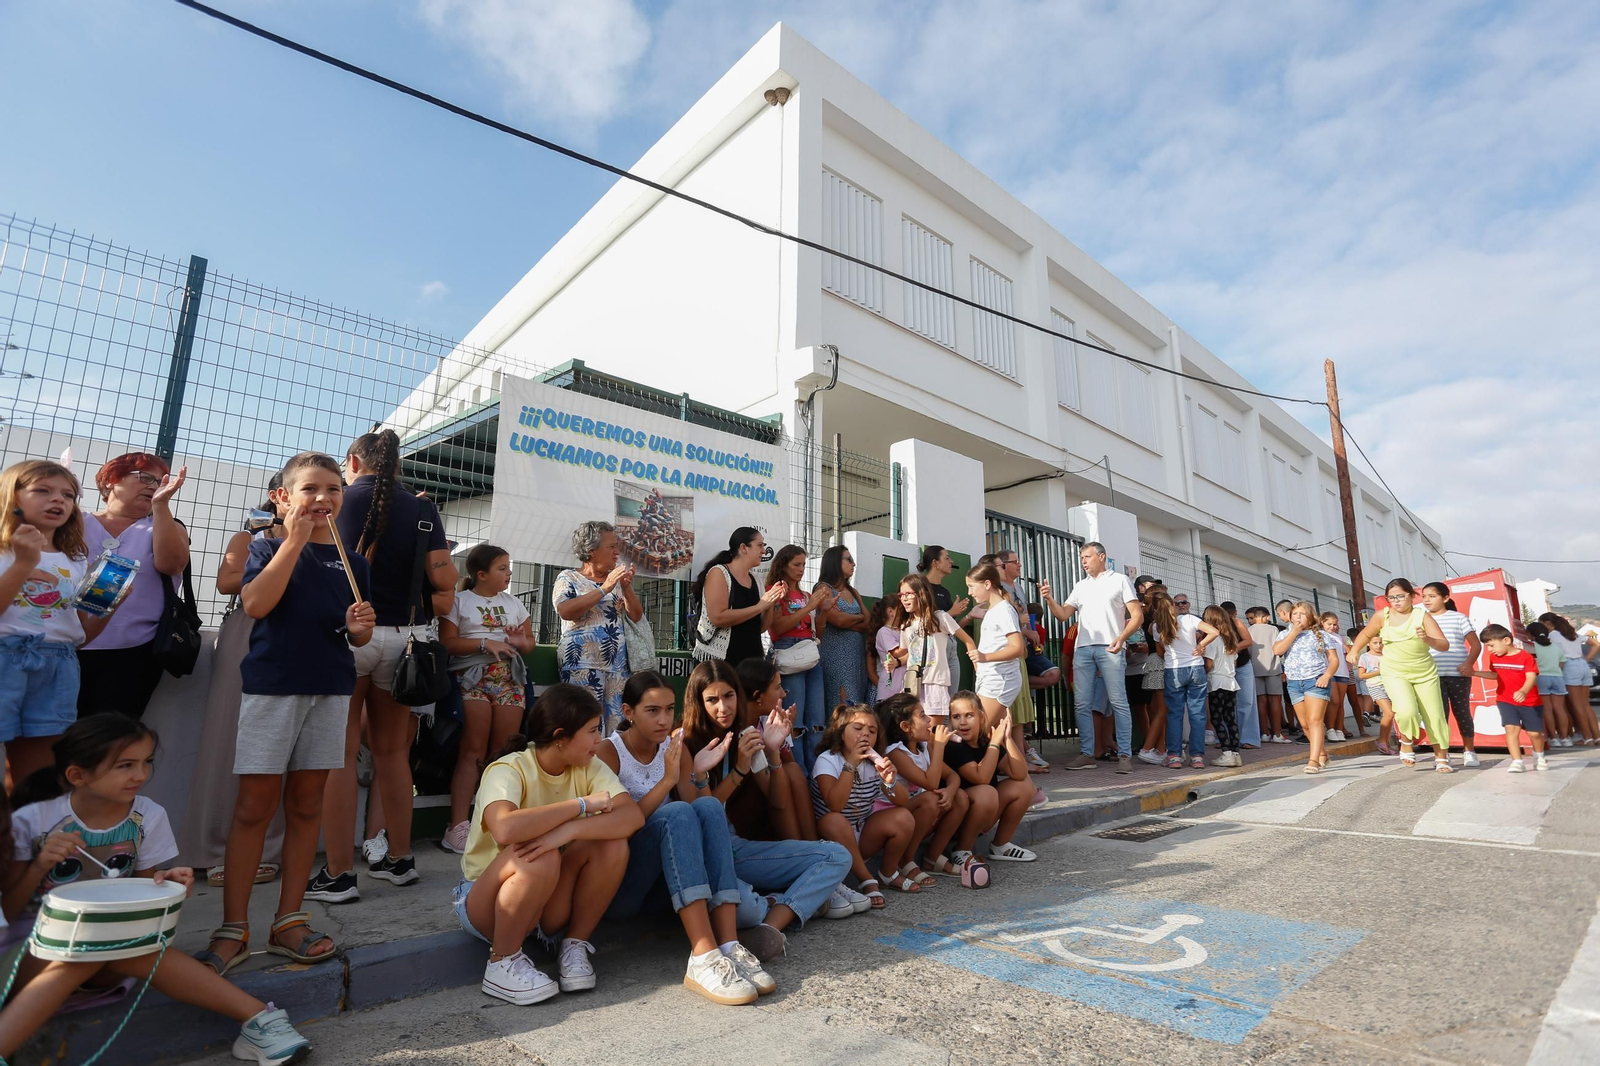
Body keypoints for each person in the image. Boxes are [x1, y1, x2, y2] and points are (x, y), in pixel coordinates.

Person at [0, 716, 312, 1064]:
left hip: (108, 946)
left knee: (117, 946)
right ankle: (259, 1018)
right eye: (125, 765)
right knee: (86, 950)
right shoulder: (33, 821)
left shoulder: (148, 816)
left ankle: (260, 1022)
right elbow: (9, 912)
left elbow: (143, 906)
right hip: (32, 949)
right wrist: (40, 864)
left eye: (146, 762)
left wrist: (166, 884)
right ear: (78, 775)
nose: (140, 775)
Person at [197, 451, 376, 975]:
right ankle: (233, 926)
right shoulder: (266, 545)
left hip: (330, 689)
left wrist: (360, 624)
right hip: (274, 688)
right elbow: (255, 604)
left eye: (333, 489)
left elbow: (357, 635)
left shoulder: (353, 561)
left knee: (305, 806)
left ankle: (288, 922)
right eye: (310, 489)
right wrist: (293, 542)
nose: (323, 498)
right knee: (254, 806)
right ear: (283, 498)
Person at [314, 429, 455, 905]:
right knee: (394, 755)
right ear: (397, 465)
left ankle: (338, 874)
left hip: (347, 634)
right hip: (403, 640)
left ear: (353, 461)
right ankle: (399, 859)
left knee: (340, 753)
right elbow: (444, 577)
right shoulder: (422, 508)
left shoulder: (336, 498)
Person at [453, 683, 641, 1005]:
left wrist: (566, 833)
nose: (600, 739)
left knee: (613, 844)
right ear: (560, 737)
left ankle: (574, 946)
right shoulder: (509, 768)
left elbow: (632, 817)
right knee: (537, 852)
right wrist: (579, 807)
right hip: (485, 901)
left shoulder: (588, 764)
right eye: (593, 730)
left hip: (545, 895)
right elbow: (505, 829)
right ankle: (501, 963)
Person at [597, 672, 773, 1003]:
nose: (664, 719)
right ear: (628, 711)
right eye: (652, 710)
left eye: (669, 709)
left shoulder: (675, 746)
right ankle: (703, 955)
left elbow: (700, 820)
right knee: (674, 813)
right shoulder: (609, 752)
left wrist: (698, 775)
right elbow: (618, 825)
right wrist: (667, 781)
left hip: (670, 882)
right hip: (624, 884)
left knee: (706, 805)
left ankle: (729, 945)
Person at [676, 660, 857, 927]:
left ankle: (773, 923)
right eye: (712, 699)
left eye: (729, 696)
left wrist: (773, 751)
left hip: (738, 849)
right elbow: (701, 815)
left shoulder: (745, 734)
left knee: (838, 856)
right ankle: (777, 905)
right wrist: (738, 770)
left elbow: (778, 800)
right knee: (745, 910)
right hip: (705, 853)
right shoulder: (683, 741)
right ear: (698, 702)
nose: (723, 707)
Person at [185, 476, 286, 886]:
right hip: (246, 633)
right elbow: (227, 583)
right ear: (279, 496)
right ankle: (214, 848)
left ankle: (268, 848)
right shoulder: (249, 535)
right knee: (227, 741)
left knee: (282, 745)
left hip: (298, 639)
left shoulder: (329, 540)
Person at [0, 461, 114, 786]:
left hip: (59, 664)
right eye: (43, 490)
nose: (59, 500)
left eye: (68, 495)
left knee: (37, 777)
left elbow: (81, 637)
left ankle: (23, 836)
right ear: (12, 496)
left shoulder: (74, 560)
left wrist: (108, 606)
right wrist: (24, 563)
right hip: (4, 659)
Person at [76, 452, 188, 722]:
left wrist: (161, 506)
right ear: (110, 481)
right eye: (143, 477)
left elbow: (172, 565)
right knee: (51, 735)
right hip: (67, 646)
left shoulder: (166, 526)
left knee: (108, 739)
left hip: (135, 651)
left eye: (159, 481)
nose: (153, 485)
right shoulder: (75, 522)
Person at [438, 544, 535, 854]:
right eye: (502, 568)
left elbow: (529, 643)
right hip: (472, 679)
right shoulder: (460, 601)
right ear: (481, 574)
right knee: (473, 750)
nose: (509, 573)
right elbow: (447, 642)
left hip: (510, 680)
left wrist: (521, 641)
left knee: (504, 753)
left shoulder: (515, 604)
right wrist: (484, 642)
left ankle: (493, 820)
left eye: (509, 567)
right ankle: (457, 827)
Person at [1039, 542, 1142, 774]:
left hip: (1110, 648)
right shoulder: (1081, 585)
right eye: (1082, 557)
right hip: (1083, 649)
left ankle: (1124, 755)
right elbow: (1063, 614)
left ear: (1102, 556)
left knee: (1118, 702)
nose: (1083, 561)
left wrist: (1121, 638)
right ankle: (1087, 754)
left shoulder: (1120, 580)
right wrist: (1049, 599)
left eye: (1087, 556)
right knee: (1082, 703)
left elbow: (1137, 616)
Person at [808, 704, 917, 906]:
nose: (865, 734)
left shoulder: (874, 764)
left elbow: (903, 802)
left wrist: (890, 780)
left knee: (903, 817)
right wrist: (850, 765)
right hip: (834, 839)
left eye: (872, 731)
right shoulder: (828, 760)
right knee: (834, 820)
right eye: (858, 728)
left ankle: (888, 872)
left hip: (863, 835)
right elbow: (835, 805)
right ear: (841, 732)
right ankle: (867, 879)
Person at [1349, 580, 1452, 773]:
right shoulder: (1382, 616)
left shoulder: (1422, 616)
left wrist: (1427, 639)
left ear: (1412, 596)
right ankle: (1406, 741)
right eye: (1391, 597)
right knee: (1406, 711)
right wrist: (1355, 650)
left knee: (1435, 715)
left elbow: (1443, 645)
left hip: (1424, 672)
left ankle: (1441, 756)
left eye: (1400, 596)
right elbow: (1365, 634)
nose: (1396, 601)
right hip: (1395, 671)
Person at [555, 521, 643, 735]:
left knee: (617, 729)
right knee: (585, 725)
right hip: (581, 665)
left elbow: (636, 615)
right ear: (591, 550)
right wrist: (604, 589)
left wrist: (626, 587)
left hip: (617, 667)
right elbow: (565, 610)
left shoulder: (615, 579)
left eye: (617, 546)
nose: (617, 552)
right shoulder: (569, 578)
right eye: (611, 547)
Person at [876, 693, 973, 884]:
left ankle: (932, 857)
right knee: (930, 799)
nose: (929, 720)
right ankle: (906, 860)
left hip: (915, 817)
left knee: (960, 797)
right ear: (905, 727)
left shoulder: (921, 747)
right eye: (922, 716)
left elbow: (953, 776)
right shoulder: (895, 752)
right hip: (893, 818)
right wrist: (938, 747)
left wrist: (951, 791)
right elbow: (930, 784)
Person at [944, 692, 1037, 862]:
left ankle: (1001, 845)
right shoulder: (954, 746)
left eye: (969, 715)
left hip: (983, 816)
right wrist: (995, 743)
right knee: (987, 792)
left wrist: (1007, 738)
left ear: (981, 717)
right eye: (956, 717)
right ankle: (961, 850)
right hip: (954, 821)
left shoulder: (985, 743)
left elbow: (1020, 773)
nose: (962, 722)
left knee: (1023, 785)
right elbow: (981, 779)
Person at [765, 544, 833, 771]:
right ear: (783, 565)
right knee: (795, 722)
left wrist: (823, 611)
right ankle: (799, 774)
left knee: (817, 722)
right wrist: (810, 607)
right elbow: (777, 628)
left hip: (810, 653)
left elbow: (817, 632)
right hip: (787, 651)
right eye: (796, 564)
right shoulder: (775, 590)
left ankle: (817, 775)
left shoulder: (805, 595)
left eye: (804, 564)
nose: (802, 569)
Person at [735, 658, 819, 841]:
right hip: (747, 807)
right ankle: (799, 850)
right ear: (758, 696)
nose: (783, 694)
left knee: (793, 771)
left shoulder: (768, 720)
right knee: (782, 777)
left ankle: (812, 845)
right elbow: (774, 795)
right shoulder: (741, 730)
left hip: (772, 797)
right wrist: (771, 749)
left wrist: (783, 736)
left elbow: (790, 766)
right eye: (777, 688)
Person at [884, 574, 975, 728]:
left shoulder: (940, 617)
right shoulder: (906, 625)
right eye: (901, 595)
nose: (903, 599)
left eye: (908, 594)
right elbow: (908, 652)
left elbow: (967, 640)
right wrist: (895, 661)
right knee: (914, 732)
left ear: (921, 593)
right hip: (913, 684)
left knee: (933, 733)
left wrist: (978, 668)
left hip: (935, 682)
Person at [691, 527, 782, 668]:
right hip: (722, 662)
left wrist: (770, 602)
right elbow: (717, 617)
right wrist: (760, 606)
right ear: (744, 548)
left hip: (751, 660)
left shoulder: (756, 580)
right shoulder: (719, 573)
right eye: (760, 545)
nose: (764, 550)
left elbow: (761, 627)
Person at [1149, 591, 1220, 769]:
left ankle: (1174, 756)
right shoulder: (1189, 619)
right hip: (1195, 668)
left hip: (1173, 669)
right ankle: (1197, 757)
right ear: (1173, 606)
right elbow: (1214, 632)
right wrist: (1200, 645)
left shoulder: (1157, 626)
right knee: (1197, 714)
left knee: (1174, 714)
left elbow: (1161, 652)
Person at [1273, 602, 1340, 775]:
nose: (1298, 617)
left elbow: (1333, 660)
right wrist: (1294, 632)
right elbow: (1277, 650)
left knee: (1314, 720)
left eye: (1302, 614)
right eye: (1295, 614)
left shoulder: (1322, 635)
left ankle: (1313, 760)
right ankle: (1322, 753)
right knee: (1304, 724)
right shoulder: (1285, 633)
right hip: (1294, 683)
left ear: (1310, 616)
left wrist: (1326, 676)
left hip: (1316, 681)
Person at [1470, 625, 1547, 773]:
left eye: (1491, 645)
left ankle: (1540, 756)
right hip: (1505, 699)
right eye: (1487, 646)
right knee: (1511, 728)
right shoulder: (1494, 658)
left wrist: (1523, 691)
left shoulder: (1525, 657)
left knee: (1534, 733)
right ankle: (1517, 761)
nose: (1490, 650)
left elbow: (1531, 677)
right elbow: (1495, 675)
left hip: (1530, 701)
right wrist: (1475, 673)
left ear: (1506, 640)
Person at [1421, 584, 1482, 765]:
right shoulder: (1420, 620)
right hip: (1431, 675)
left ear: (1445, 598)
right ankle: (1442, 753)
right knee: (1438, 715)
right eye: (1424, 596)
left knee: (1462, 711)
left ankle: (1469, 751)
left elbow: (1475, 644)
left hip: (1458, 674)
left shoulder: (1458, 618)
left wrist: (1468, 663)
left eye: (1432, 596)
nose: (1426, 600)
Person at [964, 562, 1026, 730]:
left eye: (971, 587)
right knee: (997, 735)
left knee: (979, 731)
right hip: (991, 678)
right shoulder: (993, 610)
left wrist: (985, 657)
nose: (969, 593)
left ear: (987, 584)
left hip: (1000, 679)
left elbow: (1017, 648)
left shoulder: (1004, 610)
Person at [816, 545, 870, 706]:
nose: (853, 564)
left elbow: (868, 622)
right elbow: (838, 620)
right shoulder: (823, 589)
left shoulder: (853, 591)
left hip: (856, 658)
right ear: (835, 562)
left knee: (856, 705)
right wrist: (856, 618)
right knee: (842, 705)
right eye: (849, 560)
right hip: (835, 657)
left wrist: (848, 620)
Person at [1538, 613, 1599, 747]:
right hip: (1583, 665)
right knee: (1585, 705)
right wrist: (1587, 659)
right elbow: (1595, 644)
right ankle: (1596, 736)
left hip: (1569, 667)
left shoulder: (1553, 635)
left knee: (1576, 705)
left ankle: (1587, 738)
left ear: (1547, 623)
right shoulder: (1572, 633)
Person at [916, 545, 973, 681]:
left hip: (951, 647)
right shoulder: (921, 588)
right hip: (932, 649)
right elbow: (921, 624)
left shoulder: (945, 592)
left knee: (951, 695)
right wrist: (951, 612)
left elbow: (954, 627)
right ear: (935, 563)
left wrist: (970, 615)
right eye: (947, 558)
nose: (951, 562)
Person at [1201, 605, 1243, 767]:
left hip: (1217, 682)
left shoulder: (1212, 640)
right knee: (1230, 718)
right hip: (1231, 682)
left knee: (1217, 718)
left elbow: (1209, 664)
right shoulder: (1230, 638)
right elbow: (1234, 661)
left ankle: (1226, 753)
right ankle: (1235, 753)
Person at [1525, 622, 1571, 747]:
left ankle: (1554, 738)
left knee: (1547, 709)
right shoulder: (1555, 646)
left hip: (1541, 678)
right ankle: (1565, 738)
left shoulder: (1532, 646)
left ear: (1529, 634)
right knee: (1560, 709)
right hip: (1557, 677)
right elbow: (1562, 663)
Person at [1220, 602, 1259, 750]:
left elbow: (1247, 641)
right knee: (1224, 704)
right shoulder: (1216, 624)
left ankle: (1247, 738)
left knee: (1246, 702)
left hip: (1242, 665)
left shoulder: (1237, 623)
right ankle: (1224, 737)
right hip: (1224, 667)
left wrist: (1232, 647)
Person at [1247, 607, 1287, 744]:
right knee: (1275, 701)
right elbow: (1279, 649)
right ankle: (1277, 734)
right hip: (1273, 668)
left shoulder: (1249, 630)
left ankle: (1264, 733)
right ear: (1266, 617)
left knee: (1261, 702)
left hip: (1255, 669)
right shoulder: (1273, 629)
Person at [1319, 613, 1356, 743]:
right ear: (1322, 622)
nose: (1333, 627)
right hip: (1330, 671)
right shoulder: (1319, 635)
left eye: (1335, 624)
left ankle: (1339, 729)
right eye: (1329, 624)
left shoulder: (1338, 637)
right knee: (1334, 701)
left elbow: (1348, 651)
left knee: (1340, 703)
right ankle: (1330, 729)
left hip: (1343, 672)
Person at [1357, 637, 1396, 755]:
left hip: (1390, 685)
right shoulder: (1365, 657)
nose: (1378, 645)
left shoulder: (1387, 655)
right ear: (1368, 643)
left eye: (1380, 643)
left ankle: (1386, 742)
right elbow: (1362, 675)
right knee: (1388, 712)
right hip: (1374, 686)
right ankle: (1382, 741)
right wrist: (1379, 672)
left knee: (1390, 714)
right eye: (1375, 643)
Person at [865, 594, 905, 704]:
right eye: (901, 609)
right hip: (890, 691)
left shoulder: (903, 631)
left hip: (902, 689)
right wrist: (916, 647)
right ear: (890, 611)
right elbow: (896, 653)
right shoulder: (884, 632)